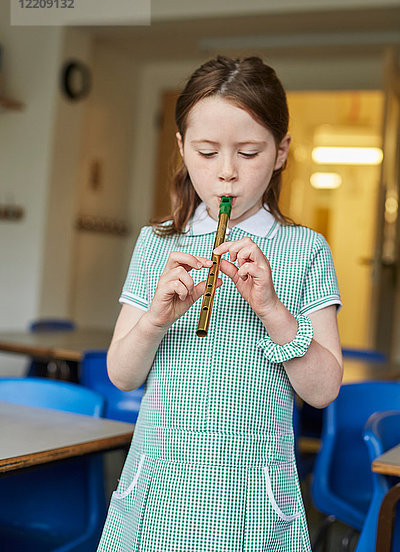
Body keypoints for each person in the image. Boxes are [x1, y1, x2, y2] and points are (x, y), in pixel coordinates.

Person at [97, 55, 342, 552]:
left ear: (280, 152)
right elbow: (122, 374)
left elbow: (323, 390)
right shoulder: (156, 244)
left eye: (249, 153)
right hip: (158, 498)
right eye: (207, 153)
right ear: (183, 149)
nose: (226, 174)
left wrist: (272, 308)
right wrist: (154, 321)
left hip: (253, 506)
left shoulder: (306, 249)